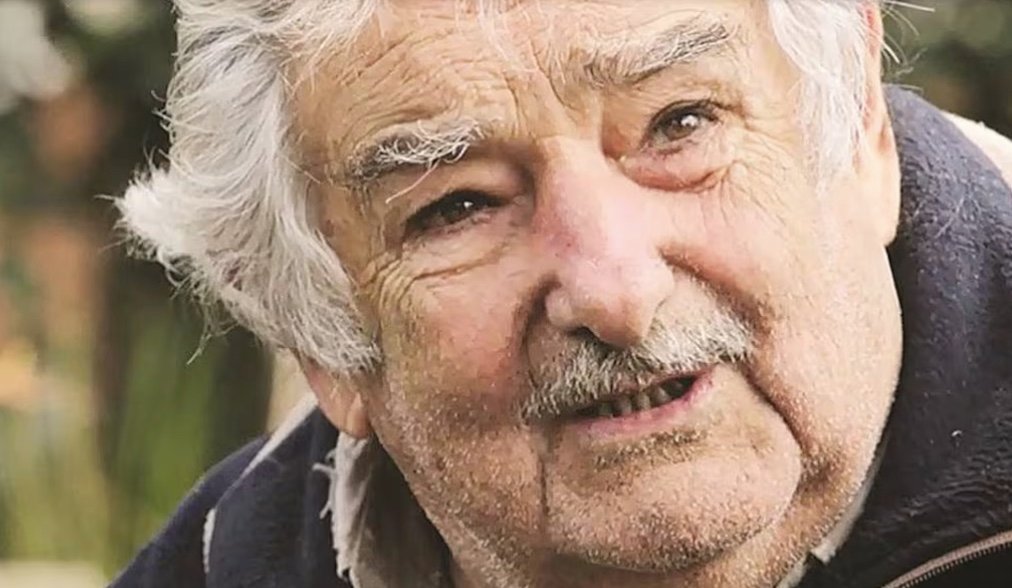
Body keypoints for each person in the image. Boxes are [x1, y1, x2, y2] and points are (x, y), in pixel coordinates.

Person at [110, 1, 1012, 587]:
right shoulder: (223, 565)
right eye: (458, 206)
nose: (616, 291)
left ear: (858, 129)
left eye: (679, 124)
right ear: (318, 338)